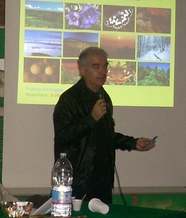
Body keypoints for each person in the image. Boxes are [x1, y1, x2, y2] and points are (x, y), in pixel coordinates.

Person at [53, 47, 156, 203]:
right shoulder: (69, 99)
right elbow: (63, 137)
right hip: (78, 183)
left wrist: (133, 142)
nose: (103, 72)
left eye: (105, 66)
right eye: (96, 67)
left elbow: (105, 136)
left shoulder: (104, 97)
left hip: (102, 182)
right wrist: (91, 118)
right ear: (82, 70)